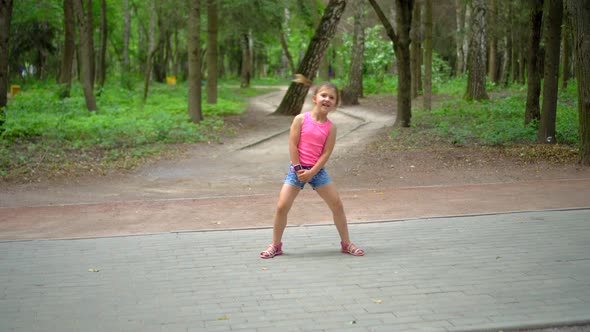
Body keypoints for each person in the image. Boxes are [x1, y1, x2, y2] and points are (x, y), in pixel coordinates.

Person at [260, 76, 365, 259]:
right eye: (324, 95)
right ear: (315, 98)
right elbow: (293, 144)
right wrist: (300, 169)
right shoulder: (301, 119)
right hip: (297, 170)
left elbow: (326, 153)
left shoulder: (331, 128)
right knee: (282, 206)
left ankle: (346, 243)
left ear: (335, 104)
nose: (327, 99)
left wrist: (312, 172)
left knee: (337, 205)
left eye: (332, 98)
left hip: (317, 171)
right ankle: (276, 245)